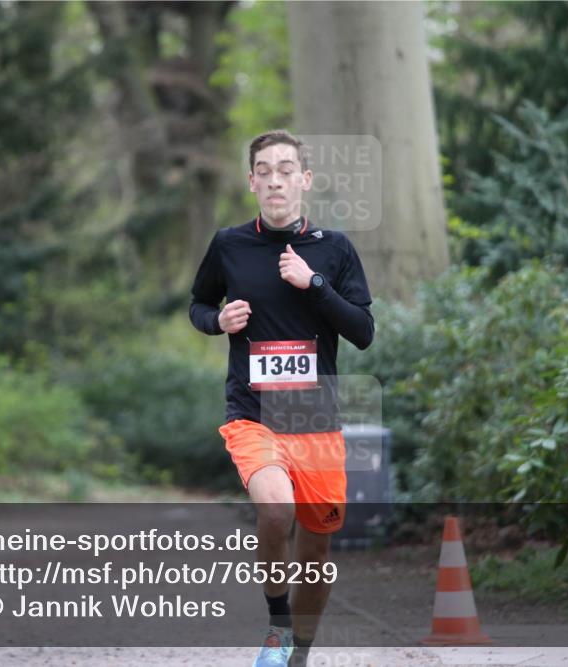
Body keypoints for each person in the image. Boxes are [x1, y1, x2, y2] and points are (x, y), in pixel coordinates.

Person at [189, 130, 374, 667]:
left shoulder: (334, 249)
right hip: (254, 416)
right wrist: (216, 320)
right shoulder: (229, 245)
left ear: (304, 180)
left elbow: (363, 331)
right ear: (251, 182)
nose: (275, 178)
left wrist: (314, 283)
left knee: (315, 557)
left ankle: (298, 656)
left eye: (286, 168)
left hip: (317, 424)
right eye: (264, 169)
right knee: (275, 507)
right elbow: (198, 304)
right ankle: (277, 624)